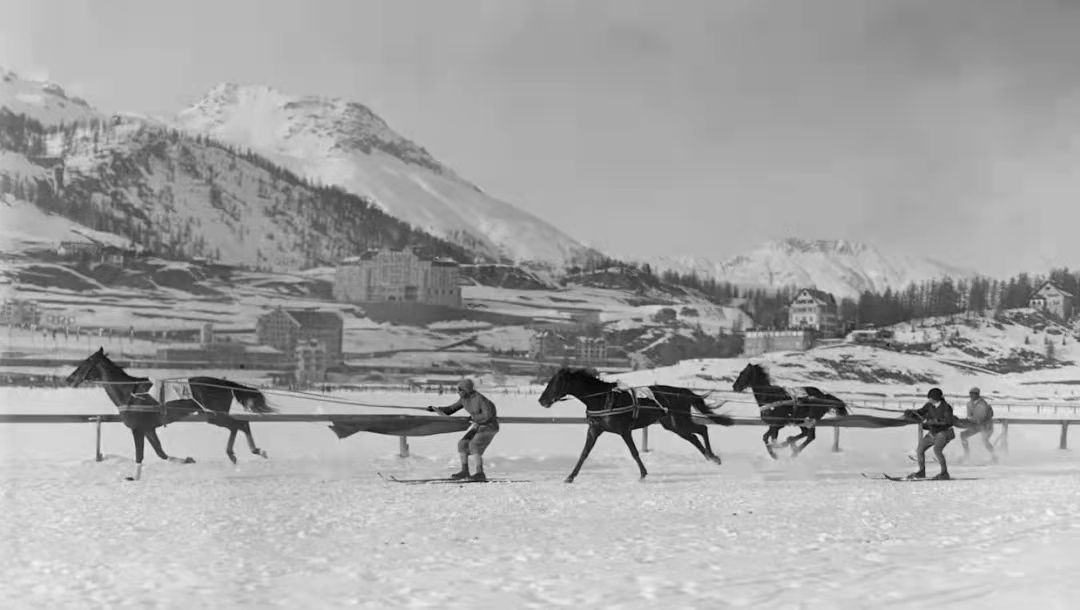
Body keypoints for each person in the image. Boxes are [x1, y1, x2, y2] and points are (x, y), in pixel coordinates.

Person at [427, 378, 499, 482]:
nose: (458, 391)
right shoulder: (463, 399)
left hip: (489, 426)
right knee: (462, 444)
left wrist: (474, 419)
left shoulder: (480, 399)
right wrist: (435, 409)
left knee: (474, 445)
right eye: (458, 389)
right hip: (478, 425)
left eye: (460, 389)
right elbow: (450, 410)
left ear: (467, 389)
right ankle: (464, 471)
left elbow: (488, 415)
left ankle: (480, 473)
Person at [905, 387, 956, 480]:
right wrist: (912, 412)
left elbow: (948, 421)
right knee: (920, 449)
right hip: (933, 432)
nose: (929, 400)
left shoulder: (946, 407)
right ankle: (921, 472)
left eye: (931, 398)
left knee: (937, 450)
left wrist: (934, 422)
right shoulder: (929, 405)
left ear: (936, 398)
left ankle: (944, 473)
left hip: (944, 432)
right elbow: (921, 412)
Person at [960, 387, 996, 463]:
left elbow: (980, 418)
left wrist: (968, 420)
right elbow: (970, 416)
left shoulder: (983, 404)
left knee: (985, 440)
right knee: (963, 435)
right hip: (977, 425)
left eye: (972, 394)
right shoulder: (969, 404)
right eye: (970, 394)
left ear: (977, 395)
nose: (971, 396)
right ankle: (967, 455)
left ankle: (994, 456)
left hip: (986, 426)